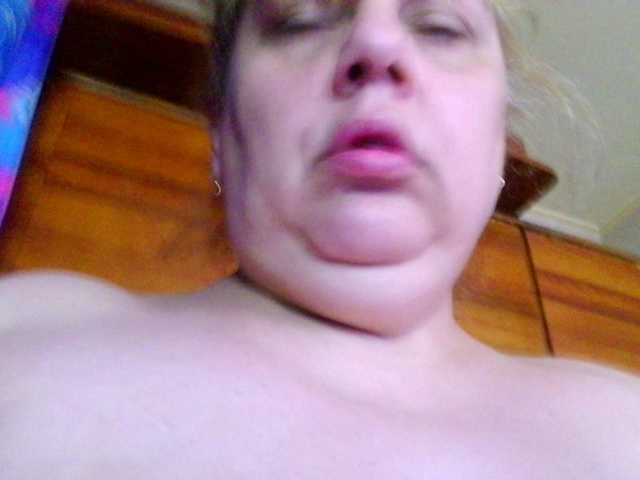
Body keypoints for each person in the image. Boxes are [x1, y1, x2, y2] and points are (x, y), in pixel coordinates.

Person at [1, 0, 639, 477]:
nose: (376, 44)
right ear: (220, 131)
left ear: (500, 141)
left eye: (441, 26)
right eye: (300, 19)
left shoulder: (621, 431)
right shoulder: (24, 329)